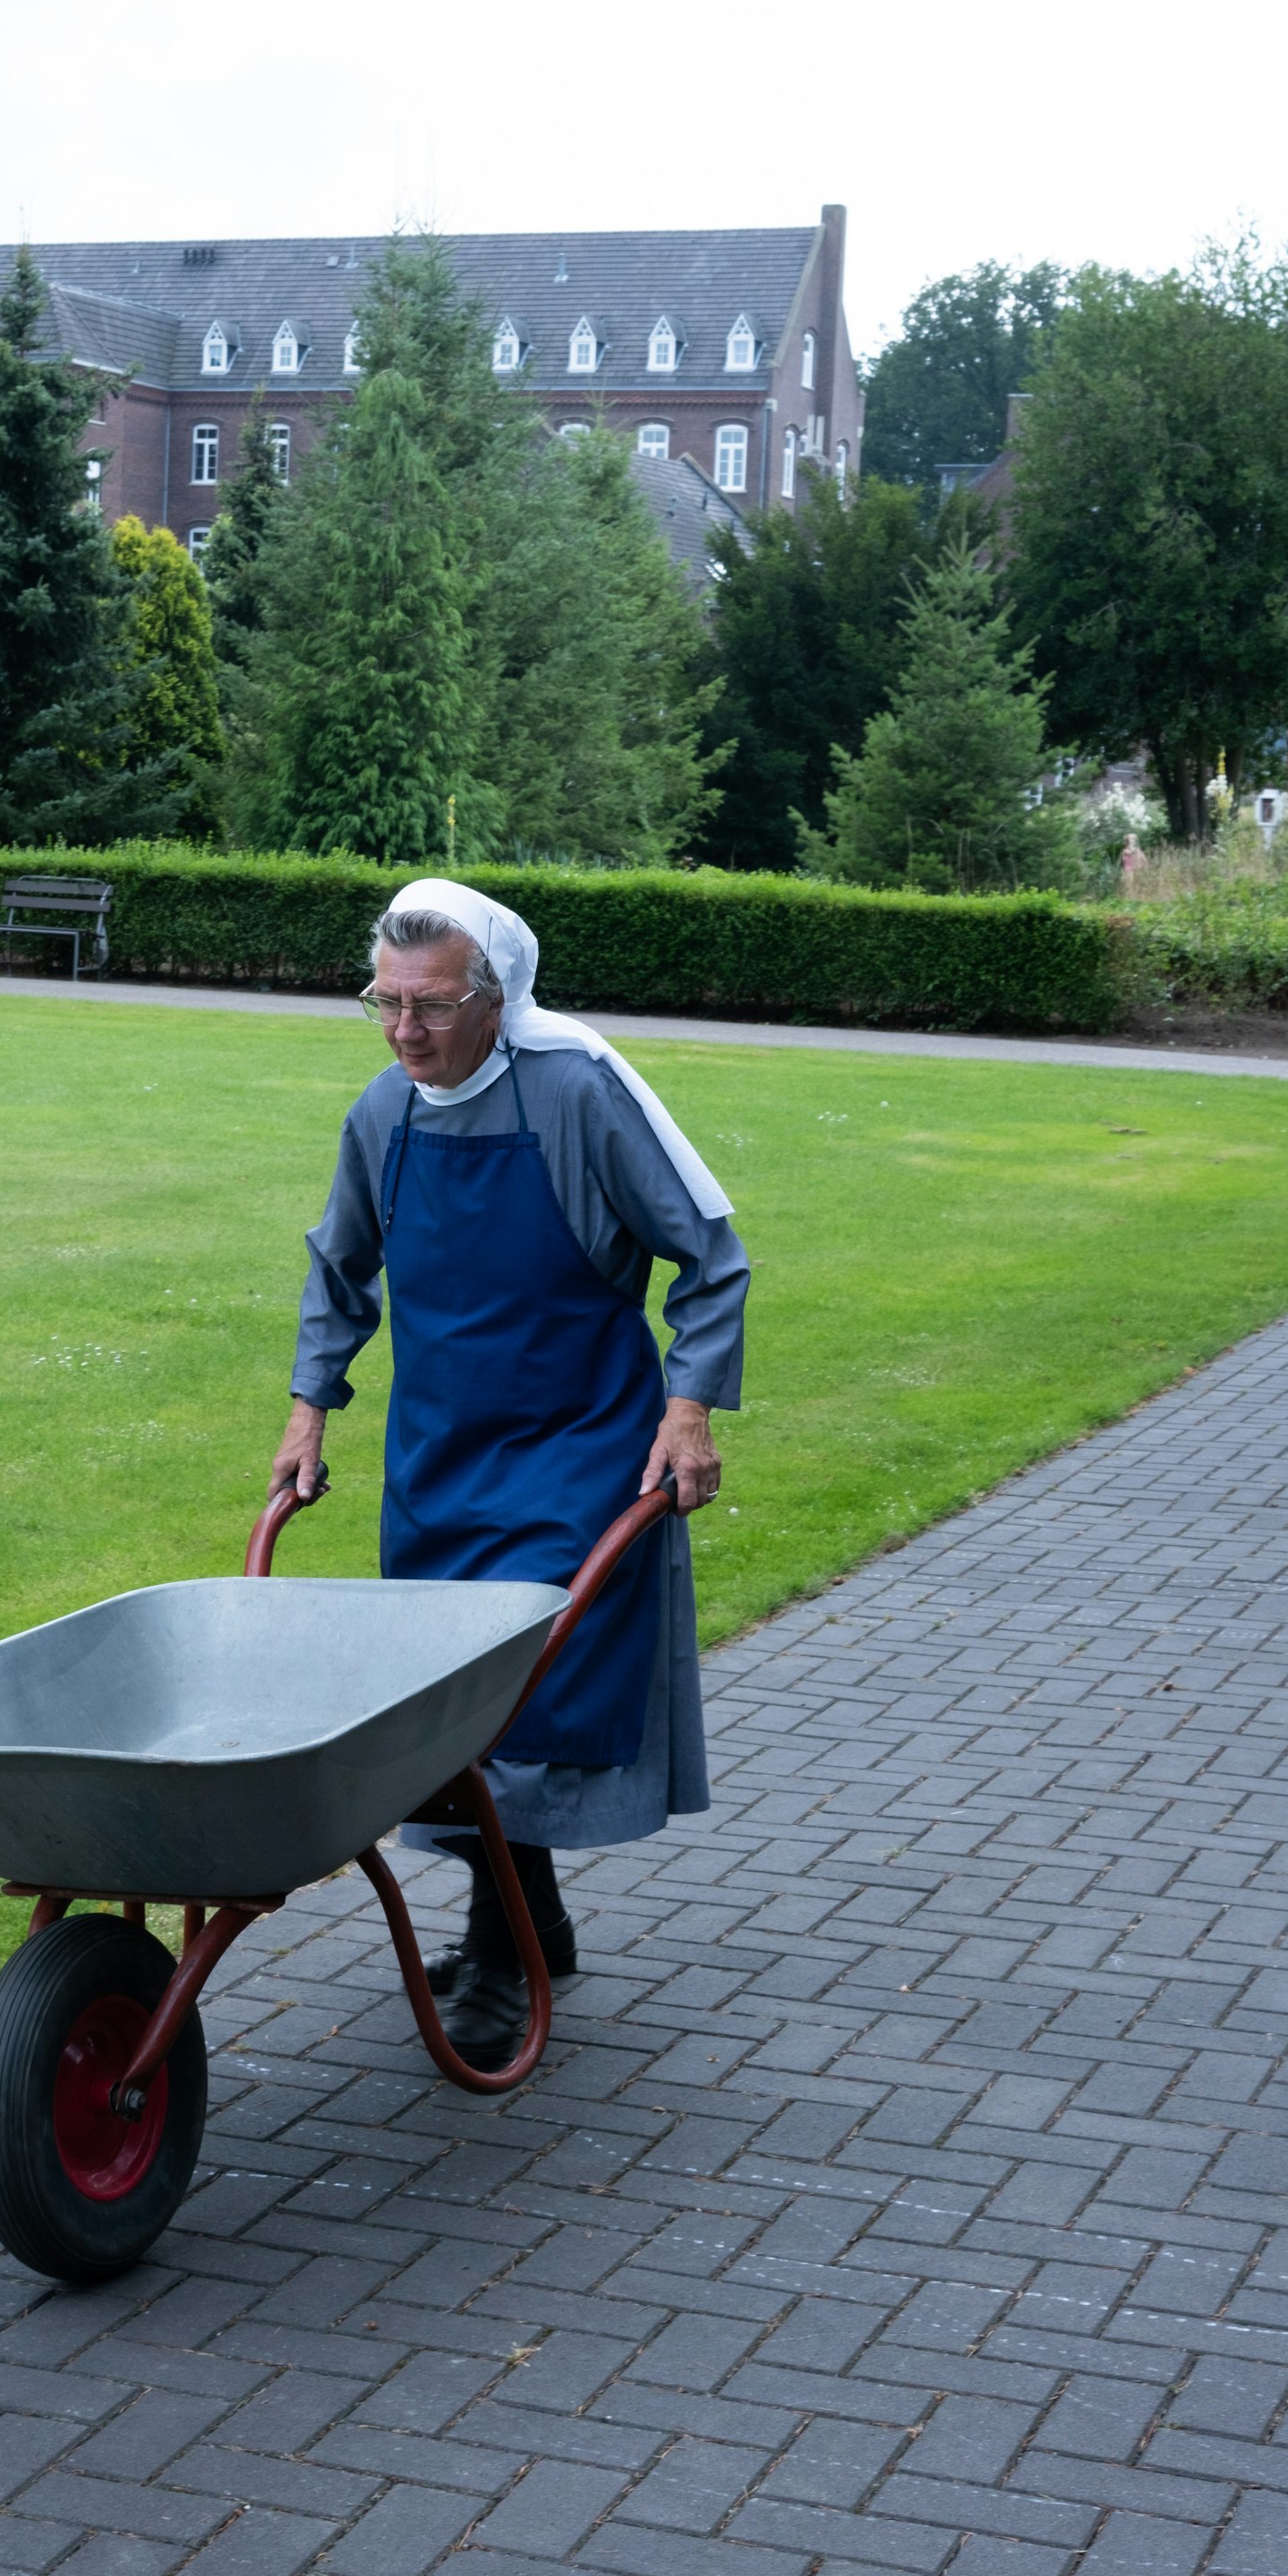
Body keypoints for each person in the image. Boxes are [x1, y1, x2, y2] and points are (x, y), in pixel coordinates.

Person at [272, 878, 750, 2069]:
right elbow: (341, 1273)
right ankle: (535, 1924)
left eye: (429, 1007)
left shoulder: (579, 1093)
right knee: (446, 1703)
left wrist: (689, 1406)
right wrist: (308, 1409)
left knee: (524, 1697)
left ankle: (501, 1957)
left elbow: (711, 1254)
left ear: (498, 995)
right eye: (384, 1004)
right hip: (440, 1458)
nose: (404, 1032)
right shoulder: (385, 1116)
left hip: (577, 1449)